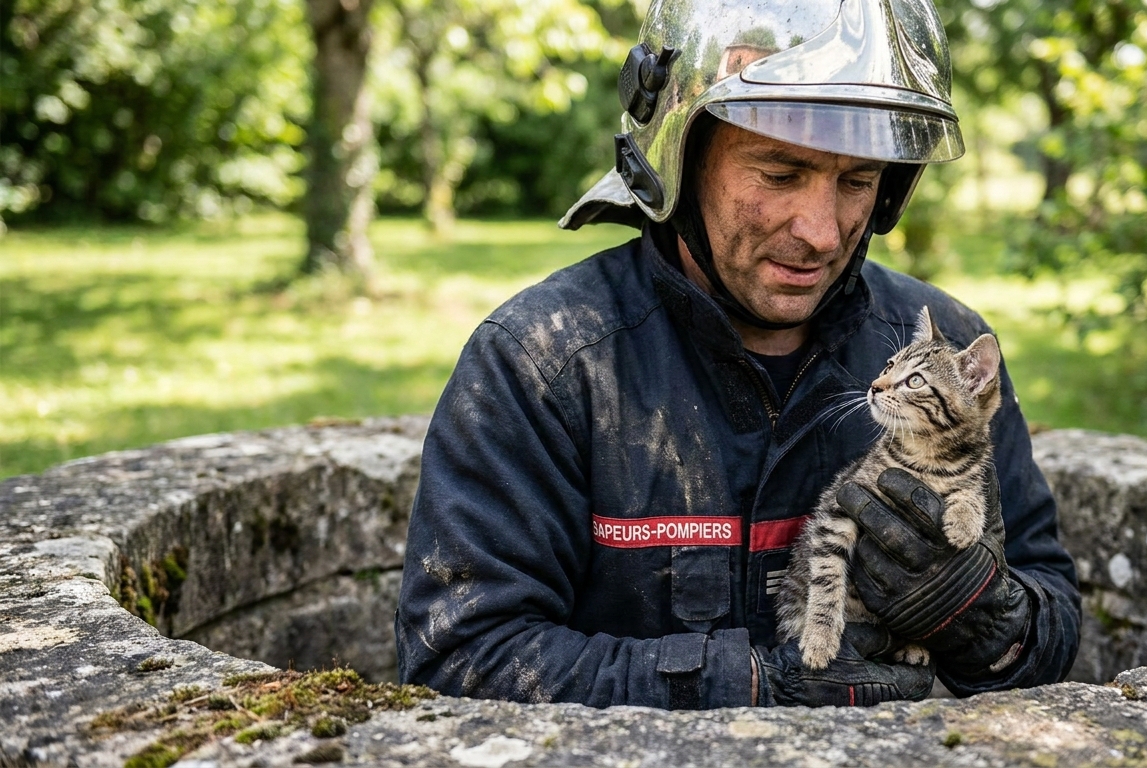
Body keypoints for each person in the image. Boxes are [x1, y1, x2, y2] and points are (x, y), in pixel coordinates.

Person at [395, 0, 1081, 709]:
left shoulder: (938, 354)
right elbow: (463, 657)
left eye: (856, 180)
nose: (820, 232)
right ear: (683, 159)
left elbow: (1053, 624)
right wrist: (755, 681)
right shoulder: (544, 365)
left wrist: (977, 610)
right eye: (780, 174)